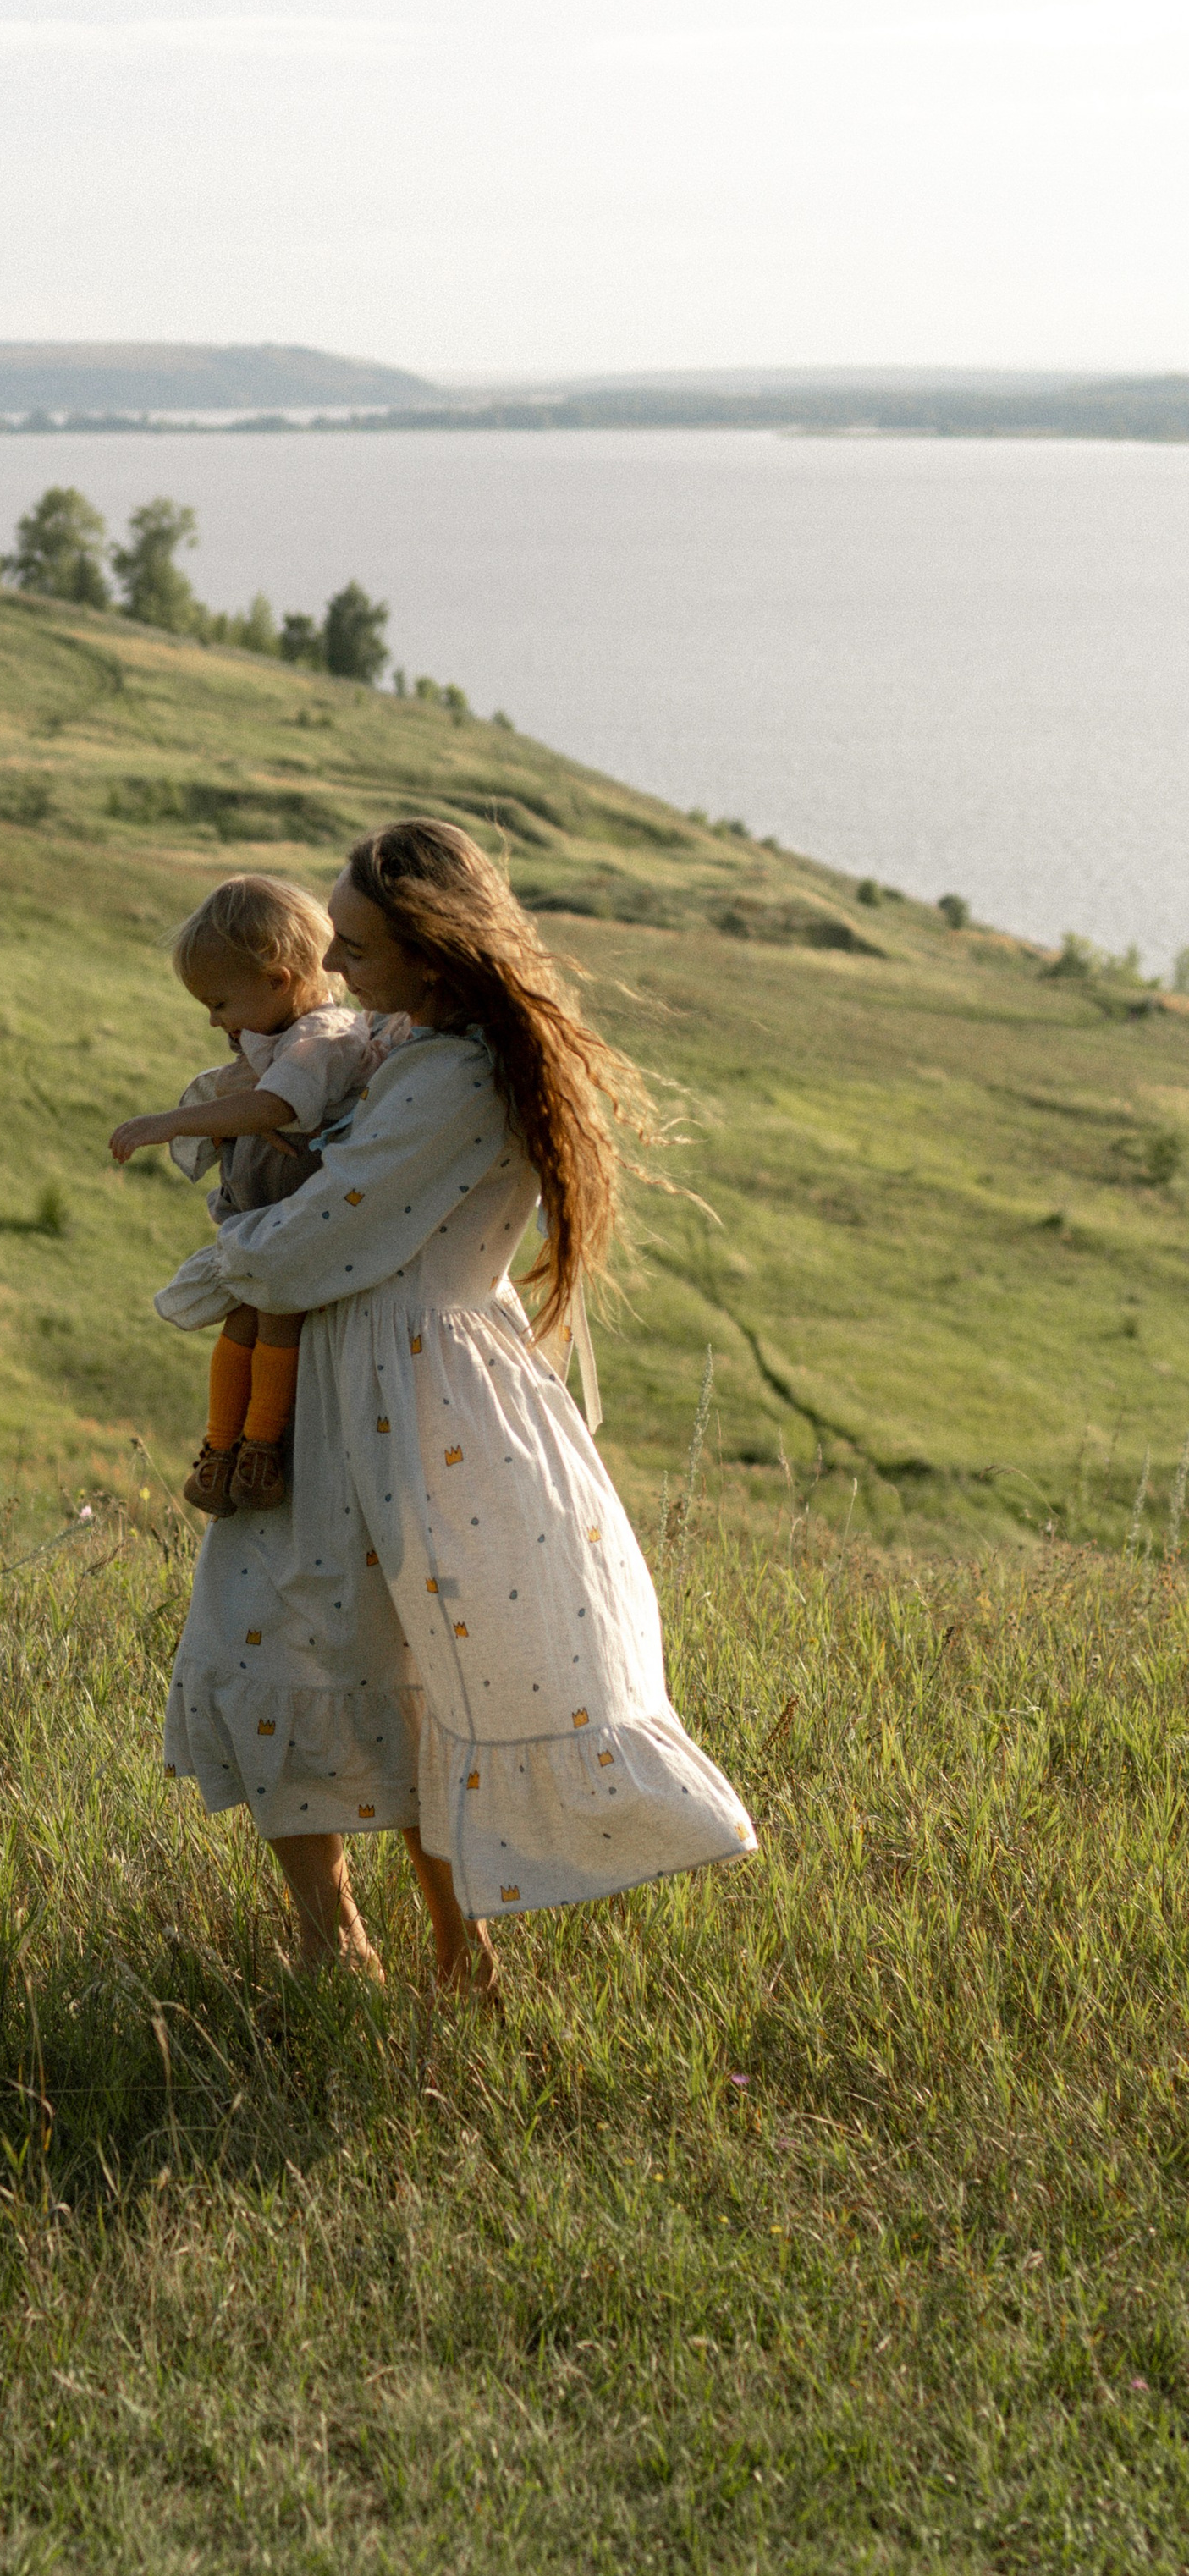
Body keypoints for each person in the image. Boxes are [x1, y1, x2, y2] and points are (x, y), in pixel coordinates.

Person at [153, 818, 757, 1993]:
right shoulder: (405, 1043)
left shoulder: (457, 1079)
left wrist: (220, 1262)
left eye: (358, 947)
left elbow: (323, 1234)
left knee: (421, 1666)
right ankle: (336, 1936)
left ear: (433, 953)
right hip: (348, 1379)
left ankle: (453, 1948)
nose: (332, 968)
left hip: (416, 1395)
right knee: (273, 1637)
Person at [109, 876, 399, 1515]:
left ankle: (260, 1448)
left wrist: (170, 1123)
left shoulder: (324, 1038)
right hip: (262, 1220)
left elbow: (278, 1104)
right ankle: (221, 1449)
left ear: (276, 980)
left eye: (219, 1003)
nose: (215, 1021)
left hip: (294, 1223)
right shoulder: (274, 1035)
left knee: (274, 1319)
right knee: (240, 1322)